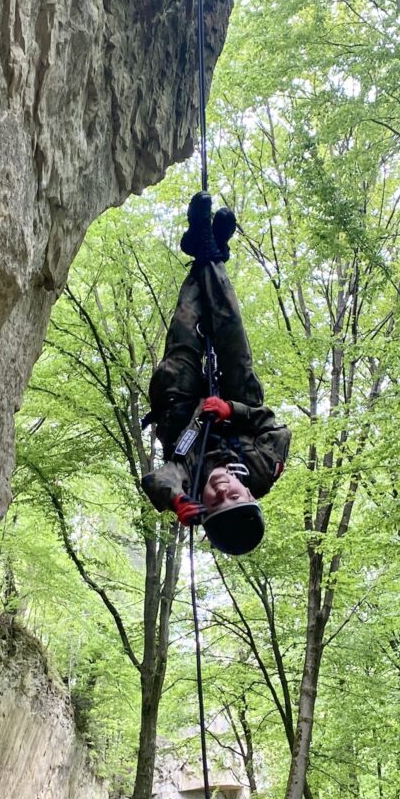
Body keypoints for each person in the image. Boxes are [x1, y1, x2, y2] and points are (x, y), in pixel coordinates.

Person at [141, 192, 291, 555]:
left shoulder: (188, 486)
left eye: (217, 502)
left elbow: (159, 478)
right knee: (230, 332)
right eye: (235, 497)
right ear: (249, 493)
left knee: (184, 330)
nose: (223, 492)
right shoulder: (262, 470)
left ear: (204, 509)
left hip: (181, 409)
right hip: (235, 402)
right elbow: (275, 429)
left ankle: (206, 250)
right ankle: (209, 249)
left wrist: (176, 500)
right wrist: (231, 411)